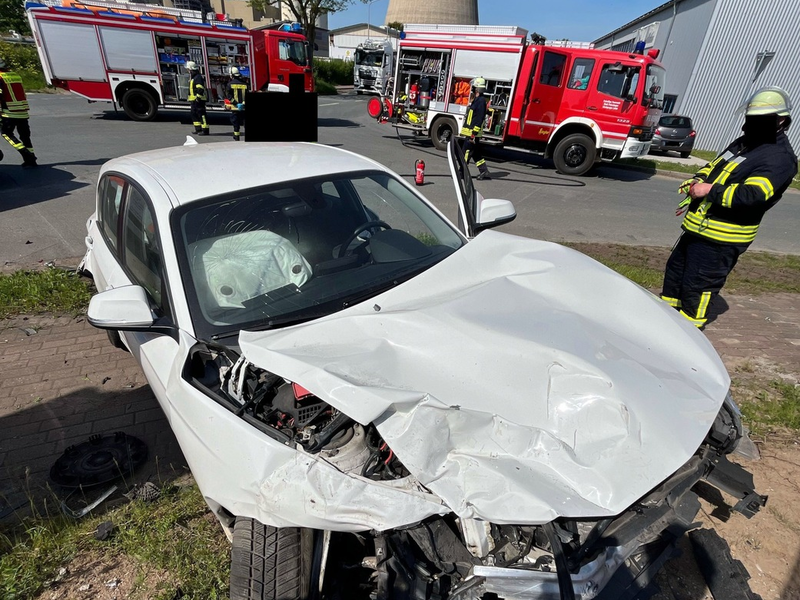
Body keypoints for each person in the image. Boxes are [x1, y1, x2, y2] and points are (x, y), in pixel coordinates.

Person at [661, 86, 798, 328]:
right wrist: (697, 180)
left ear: (781, 121)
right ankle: (663, 323)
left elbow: (753, 194)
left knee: (697, 288)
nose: (751, 124)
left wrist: (709, 190)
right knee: (675, 277)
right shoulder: (744, 143)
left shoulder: (779, 157)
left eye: (760, 120)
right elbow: (712, 167)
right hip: (697, 230)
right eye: (750, 118)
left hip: (720, 239)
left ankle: (690, 335)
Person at [0, 58, 37, 167]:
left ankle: (26, 154)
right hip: (22, 111)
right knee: (25, 137)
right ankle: (32, 160)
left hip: (9, 112)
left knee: (6, 134)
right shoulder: (15, 75)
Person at [460, 76, 490, 180]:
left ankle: (462, 172)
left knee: (466, 153)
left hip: (472, 133)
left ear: (477, 88)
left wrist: (473, 134)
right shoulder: (477, 100)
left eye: (474, 86)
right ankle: (484, 171)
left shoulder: (481, 101)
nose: (472, 88)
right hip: (471, 132)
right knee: (475, 153)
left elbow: (479, 118)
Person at [225, 66, 248, 141]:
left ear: (232, 75)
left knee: (236, 124)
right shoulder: (245, 84)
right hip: (244, 107)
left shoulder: (229, 84)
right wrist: (243, 103)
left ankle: (236, 137)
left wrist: (236, 103)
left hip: (235, 108)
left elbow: (229, 97)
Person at [186, 61, 209, 135]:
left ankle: (205, 130)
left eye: (188, 69)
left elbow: (200, 88)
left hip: (199, 100)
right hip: (194, 100)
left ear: (191, 69)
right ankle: (198, 129)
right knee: (194, 114)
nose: (187, 70)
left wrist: (198, 97)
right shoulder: (194, 76)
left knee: (201, 115)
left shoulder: (198, 77)